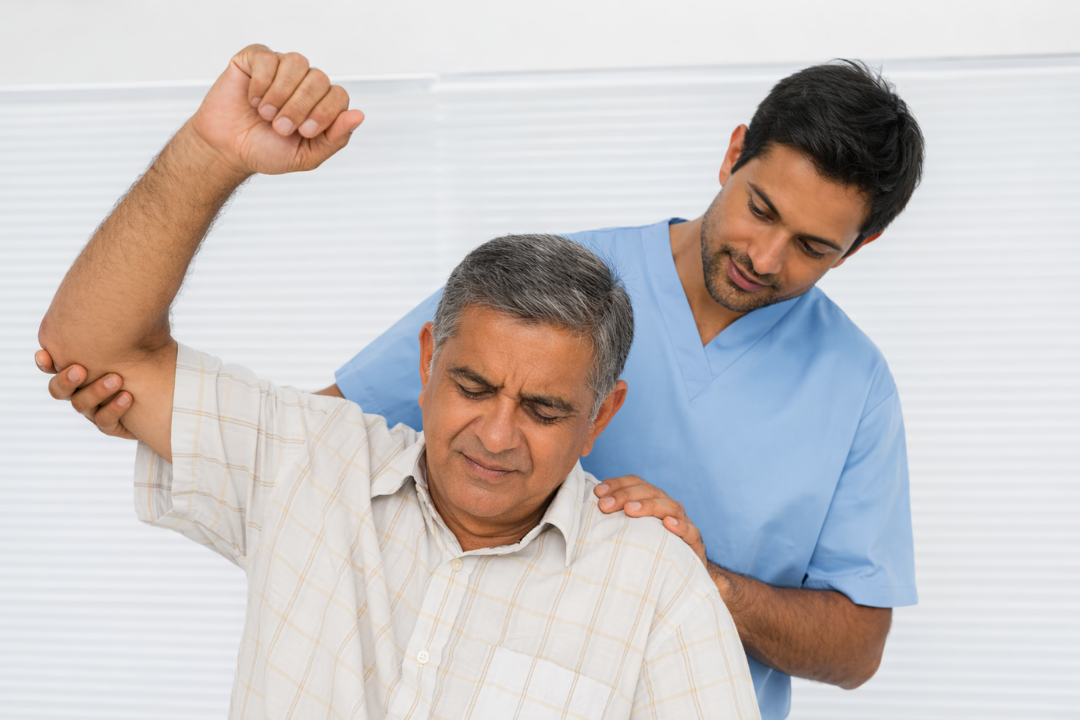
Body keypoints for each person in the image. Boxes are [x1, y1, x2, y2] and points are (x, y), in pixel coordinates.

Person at [39, 50, 925, 720]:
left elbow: (857, 646)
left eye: (814, 247)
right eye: (762, 210)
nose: (765, 257)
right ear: (734, 154)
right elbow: (308, 452)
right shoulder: (547, 288)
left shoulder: (845, 399)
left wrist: (707, 580)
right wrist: (159, 404)